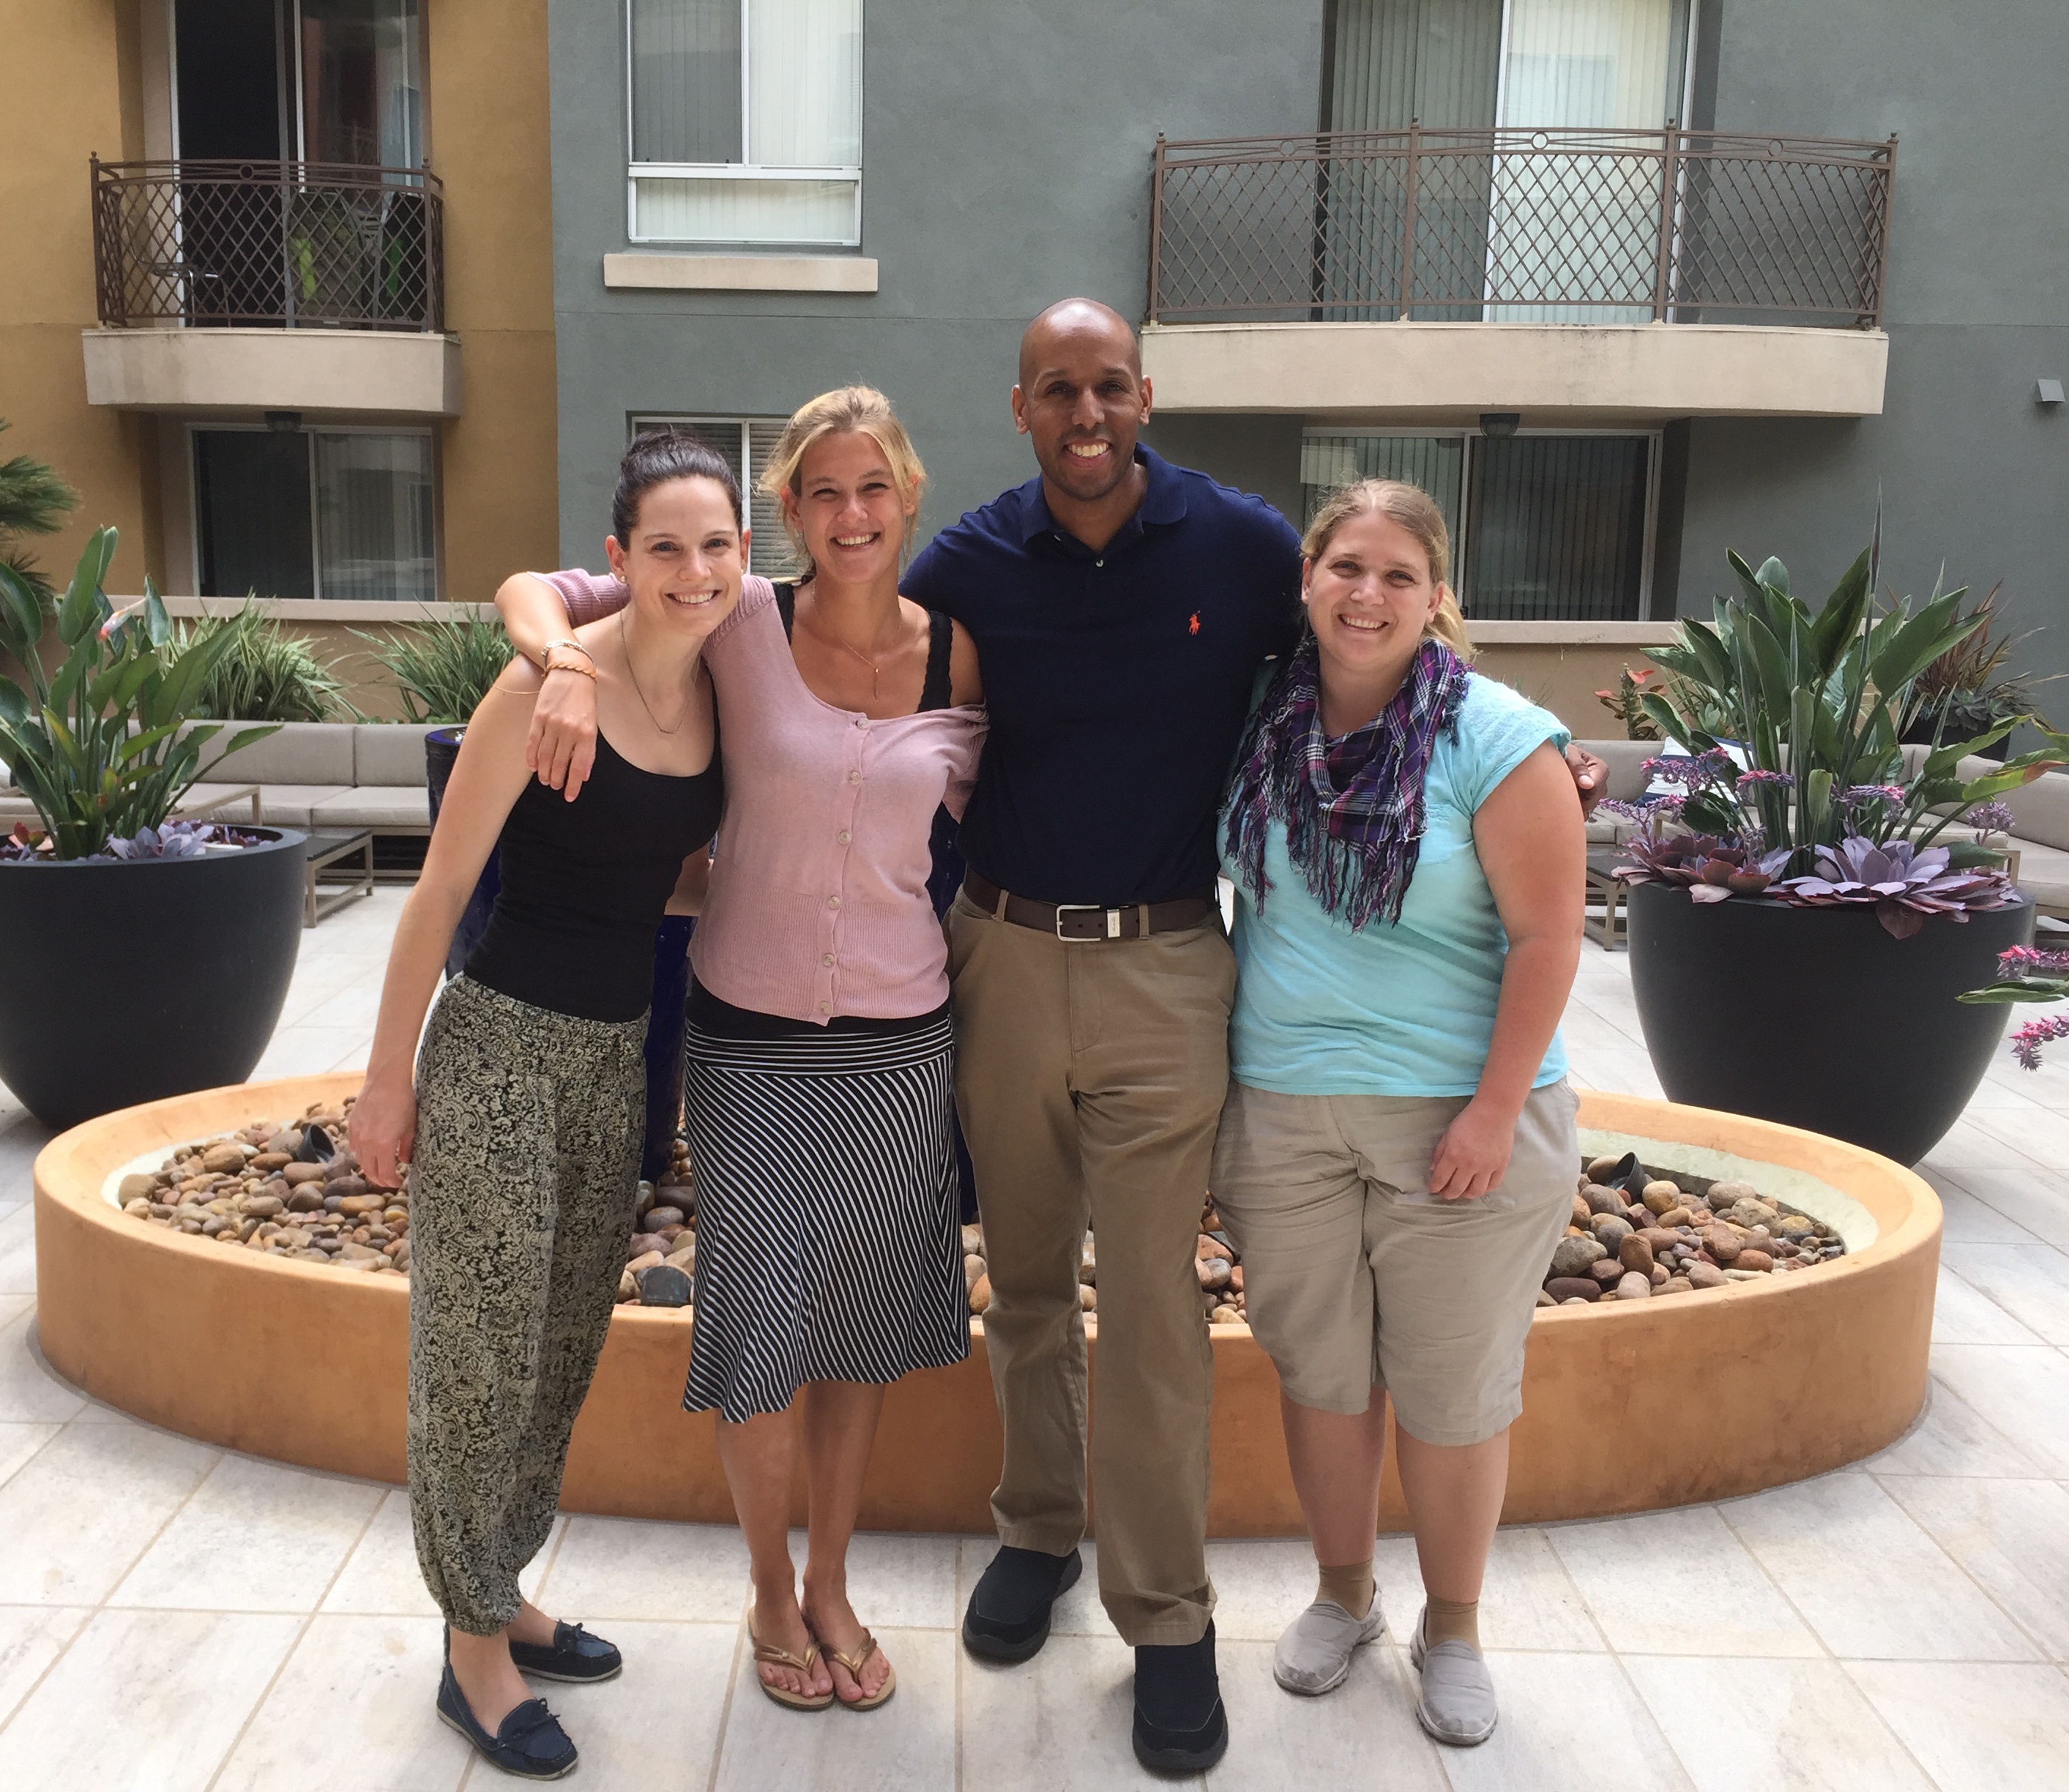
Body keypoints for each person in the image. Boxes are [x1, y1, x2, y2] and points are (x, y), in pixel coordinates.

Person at [900, 299, 1608, 1774]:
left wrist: (1544, 762)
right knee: (1024, 1280)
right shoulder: (966, 562)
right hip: (1005, 952)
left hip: (1170, 968)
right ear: (1021, 406)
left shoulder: (1237, 545)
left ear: (1144, 395)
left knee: (1155, 1305)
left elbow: (1391, 670)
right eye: (1056, 391)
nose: (1085, 415)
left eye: (1109, 387)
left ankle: (1167, 1619)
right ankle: (1038, 1532)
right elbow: (845, 657)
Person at [499, 387, 986, 1714]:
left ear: (908, 496)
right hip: (752, 1040)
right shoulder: (738, 616)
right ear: (789, 511)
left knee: (862, 1332)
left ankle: (831, 1583)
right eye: (823, 491)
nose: (851, 514)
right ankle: (769, 1590)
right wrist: (564, 668)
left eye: (873, 487)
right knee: (763, 1334)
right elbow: (535, 591)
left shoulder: (958, 656)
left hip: (900, 1045)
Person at [349, 433, 736, 1780]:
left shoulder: (720, 690)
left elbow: (659, 875)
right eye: (666, 546)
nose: (695, 569)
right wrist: (386, 1081)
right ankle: (471, 1652)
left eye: (718, 544)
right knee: (480, 1354)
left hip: (617, 1054)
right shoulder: (544, 685)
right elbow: (439, 895)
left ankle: (499, 1586)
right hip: (502, 1047)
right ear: (619, 559)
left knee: (564, 1343)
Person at [1212, 477, 1585, 1749]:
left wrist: (1492, 1112)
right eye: (1346, 568)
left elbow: (1548, 939)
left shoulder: (1498, 736)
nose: (1366, 595)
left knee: (1452, 1390)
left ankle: (1456, 1626)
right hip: (1284, 1108)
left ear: (1437, 599)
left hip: (1460, 1118)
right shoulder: (1262, 720)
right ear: (1307, 579)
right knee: (1322, 1376)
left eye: (1397, 576)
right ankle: (1344, 1595)